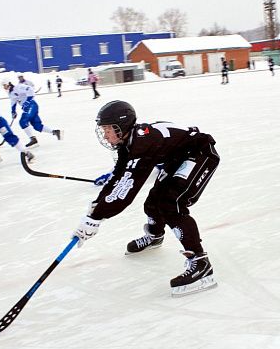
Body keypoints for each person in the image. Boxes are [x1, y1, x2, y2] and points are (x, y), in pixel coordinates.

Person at [72, 100, 220, 296]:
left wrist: (97, 218)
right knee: (153, 202)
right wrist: (96, 208)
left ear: (121, 126)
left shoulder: (142, 144)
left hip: (200, 154)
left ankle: (200, 264)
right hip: (178, 158)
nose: (105, 136)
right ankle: (155, 235)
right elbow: (119, 177)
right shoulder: (128, 143)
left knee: (171, 204)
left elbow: (126, 191)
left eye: (108, 130)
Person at [3, 80, 63, 148]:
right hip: (27, 108)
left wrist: (28, 101)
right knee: (37, 126)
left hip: (31, 105)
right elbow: (13, 102)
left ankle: (33, 139)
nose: (4, 87)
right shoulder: (10, 93)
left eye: (4, 85)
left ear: (8, 83)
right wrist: (13, 111)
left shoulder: (18, 87)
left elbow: (30, 89)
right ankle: (55, 132)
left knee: (23, 121)